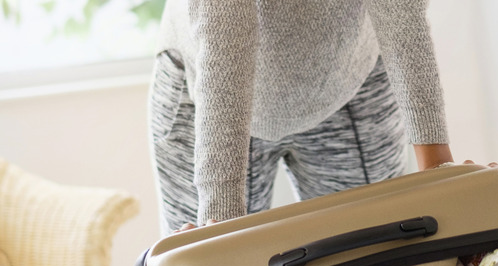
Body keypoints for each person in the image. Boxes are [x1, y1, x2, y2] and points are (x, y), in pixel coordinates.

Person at [148, 0, 455, 236]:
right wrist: (218, 217)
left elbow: (401, 14)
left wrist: (441, 172)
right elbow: (223, 34)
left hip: (348, 79)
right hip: (207, 96)